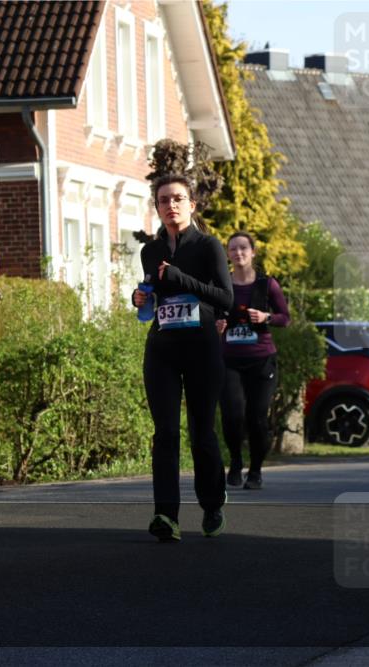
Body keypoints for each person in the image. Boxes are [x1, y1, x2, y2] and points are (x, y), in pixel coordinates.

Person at [132, 174, 233, 542]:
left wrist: (180, 278)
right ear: (156, 207)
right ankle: (166, 515)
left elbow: (225, 298)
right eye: (163, 200)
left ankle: (211, 503)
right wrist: (140, 298)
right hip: (162, 349)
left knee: (201, 432)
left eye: (177, 199)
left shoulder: (209, 247)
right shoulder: (151, 251)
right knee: (165, 433)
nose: (170, 206)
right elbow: (153, 293)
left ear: (191, 204)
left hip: (202, 348)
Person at [216, 232, 290, 490]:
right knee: (232, 415)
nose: (238, 253)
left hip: (261, 360)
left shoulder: (267, 284)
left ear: (253, 252)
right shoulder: (222, 284)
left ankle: (256, 470)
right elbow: (210, 315)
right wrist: (217, 324)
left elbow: (285, 318)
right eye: (233, 249)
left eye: (243, 248)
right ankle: (235, 463)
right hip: (229, 361)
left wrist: (266, 317)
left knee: (257, 418)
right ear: (228, 254)